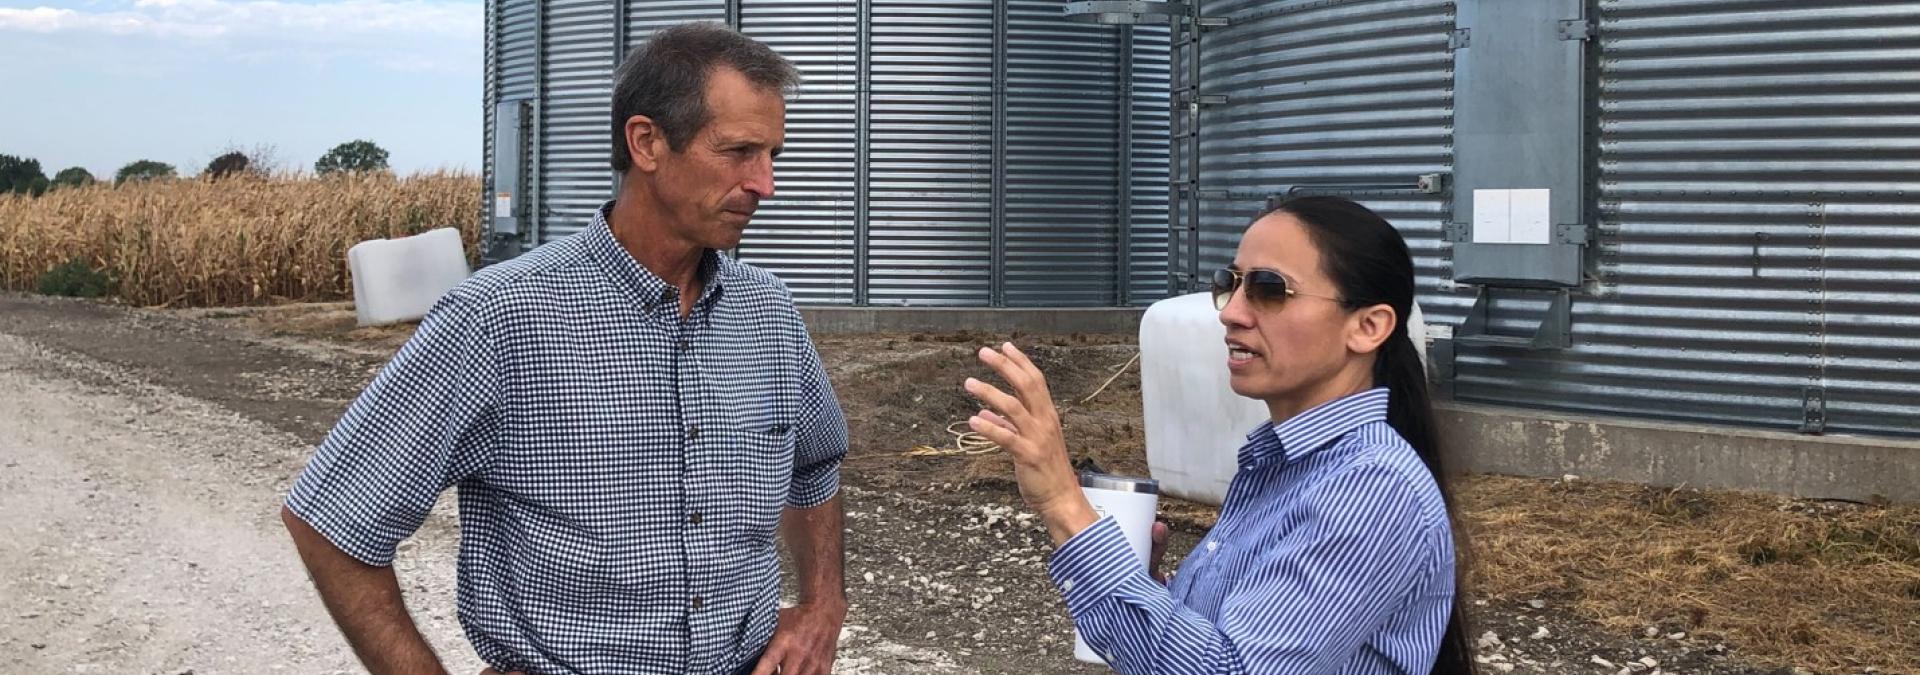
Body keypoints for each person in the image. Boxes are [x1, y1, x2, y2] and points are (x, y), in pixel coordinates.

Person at [280, 22, 850, 675]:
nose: (765, 183)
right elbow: (330, 520)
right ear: (647, 142)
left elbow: (815, 467)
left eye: (773, 153)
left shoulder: (768, 312)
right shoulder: (499, 319)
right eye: (739, 151)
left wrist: (822, 606)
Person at [964, 196, 1475, 674]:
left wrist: (1064, 504)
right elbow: (1224, 644)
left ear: (1368, 327)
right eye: (1230, 282)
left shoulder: (1371, 488)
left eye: (1270, 289)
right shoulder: (1289, 467)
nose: (1230, 311)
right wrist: (1144, 587)